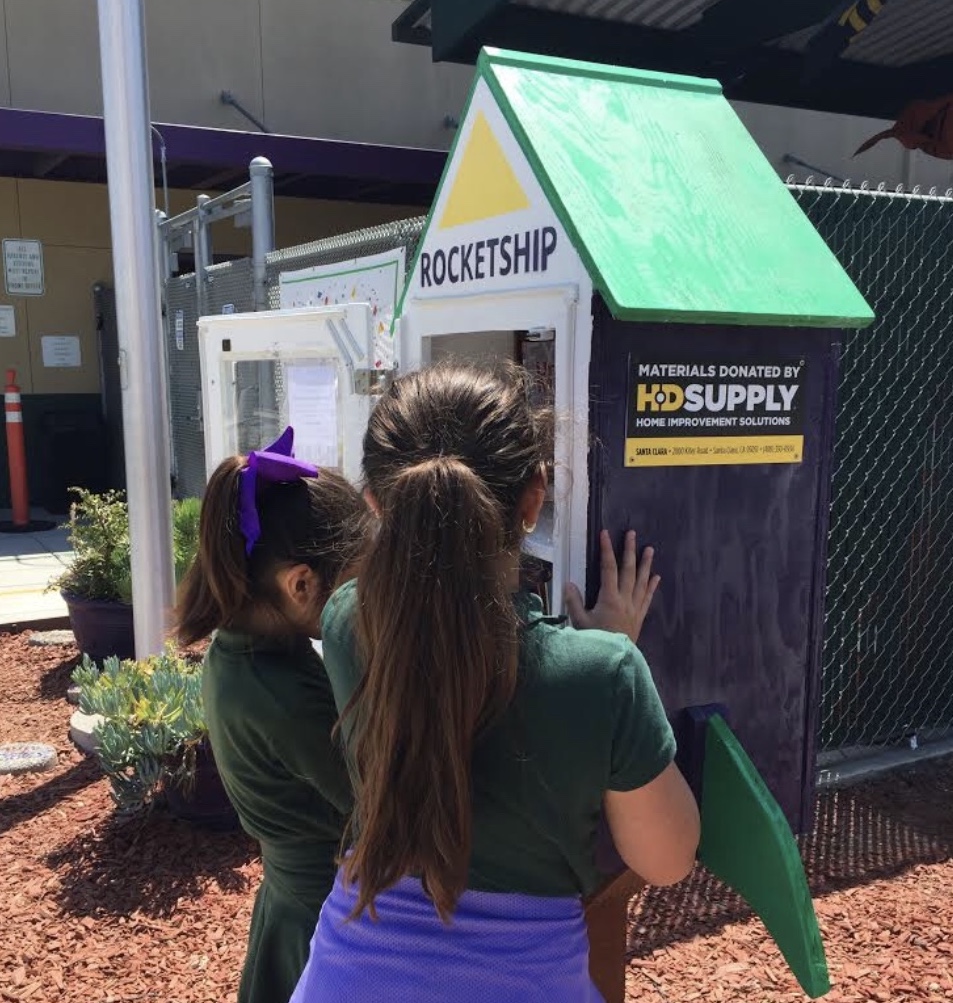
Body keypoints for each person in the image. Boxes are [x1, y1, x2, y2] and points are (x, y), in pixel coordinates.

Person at [290, 364, 701, 1003]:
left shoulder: (348, 621)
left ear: (374, 503)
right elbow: (667, 858)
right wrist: (614, 654)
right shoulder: (604, 675)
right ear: (533, 500)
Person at [174, 427, 370, 1003]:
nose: (374, 595)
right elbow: (384, 801)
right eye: (363, 581)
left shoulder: (244, 651)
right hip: (327, 923)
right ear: (302, 584)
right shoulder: (281, 695)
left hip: (296, 901)